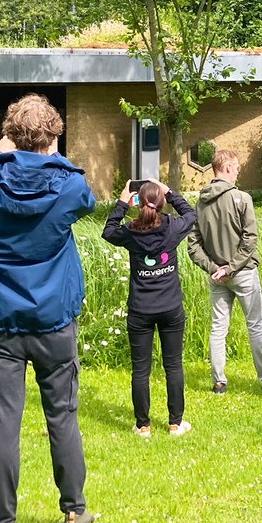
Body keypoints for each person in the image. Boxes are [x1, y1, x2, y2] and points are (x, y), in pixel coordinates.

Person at [0, 94, 97, 523]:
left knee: (3, 424)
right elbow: (86, 199)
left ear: (10, 136)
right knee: (63, 416)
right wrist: (50, 154)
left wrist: (0, 156)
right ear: (53, 138)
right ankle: (75, 511)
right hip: (54, 320)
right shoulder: (68, 184)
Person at [187, 150, 262, 394]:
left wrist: (215, 269)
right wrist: (231, 267)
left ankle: (219, 381)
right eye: (236, 167)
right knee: (255, 325)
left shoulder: (201, 202)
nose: (238, 171)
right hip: (243, 272)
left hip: (217, 277)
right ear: (226, 167)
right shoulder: (241, 198)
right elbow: (250, 239)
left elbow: (193, 246)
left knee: (218, 328)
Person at [102, 179, 197, 438]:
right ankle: (175, 424)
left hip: (140, 310)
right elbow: (191, 214)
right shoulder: (171, 227)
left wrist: (122, 200)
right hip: (170, 308)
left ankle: (143, 426)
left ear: (138, 202)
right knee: (173, 365)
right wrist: (170, 192)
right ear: (162, 201)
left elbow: (108, 231)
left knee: (141, 369)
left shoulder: (131, 232)